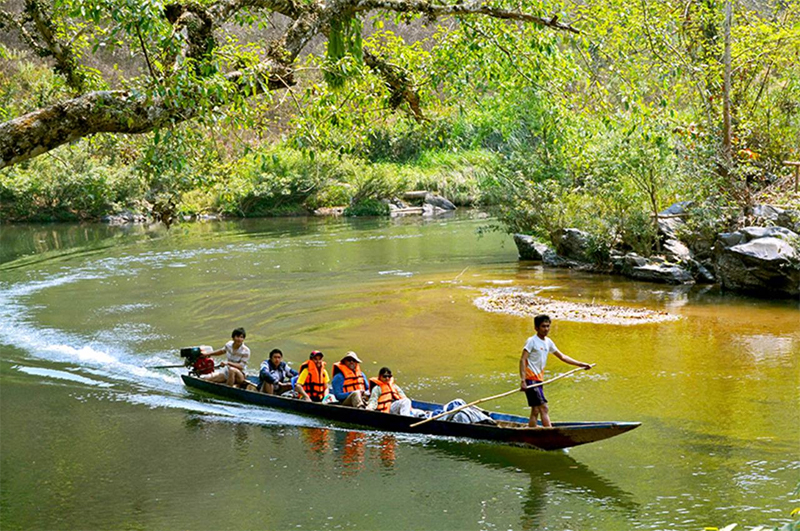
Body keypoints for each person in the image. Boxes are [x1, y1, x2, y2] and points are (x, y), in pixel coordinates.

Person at [520, 314, 592, 428]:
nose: (546, 329)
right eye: (543, 326)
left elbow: (562, 357)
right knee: (544, 408)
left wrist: (580, 364)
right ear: (536, 328)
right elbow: (523, 360)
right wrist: (523, 380)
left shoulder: (548, 342)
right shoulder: (531, 341)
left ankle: (531, 431)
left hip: (538, 380)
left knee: (536, 409)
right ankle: (550, 432)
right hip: (531, 380)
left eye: (548, 326)